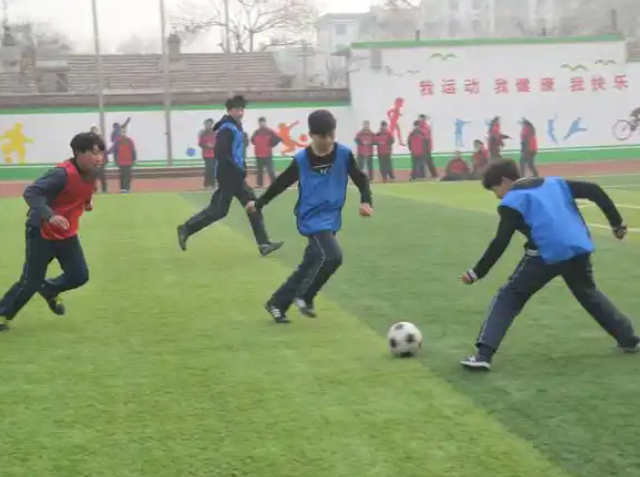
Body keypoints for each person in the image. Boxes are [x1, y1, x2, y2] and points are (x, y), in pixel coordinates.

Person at [459, 159, 638, 371]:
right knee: (589, 293)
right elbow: (594, 190)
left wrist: (476, 273)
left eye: (495, 189)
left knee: (509, 297)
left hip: (545, 256)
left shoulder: (511, 202)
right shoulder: (555, 183)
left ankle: (484, 355)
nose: (497, 196)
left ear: (505, 180)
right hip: (578, 248)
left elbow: (500, 242)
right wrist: (616, 223)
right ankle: (628, 338)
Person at [246, 109, 373, 323]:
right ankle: (305, 296)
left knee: (312, 261)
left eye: (331, 134)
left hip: (331, 217)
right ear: (312, 135)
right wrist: (259, 204)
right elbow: (281, 183)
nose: (329, 140)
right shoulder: (302, 160)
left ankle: (277, 303)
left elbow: (361, 179)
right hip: (311, 217)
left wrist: (365, 201)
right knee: (333, 256)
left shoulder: (343, 154)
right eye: (324, 136)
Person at [0, 132, 104, 331]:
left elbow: (82, 191)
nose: (99, 157)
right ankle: (2, 313)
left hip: (66, 232)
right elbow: (32, 192)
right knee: (30, 282)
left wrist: (87, 202)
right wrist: (50, 215)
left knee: (79, 274)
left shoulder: (93, 172)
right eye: (94, 153)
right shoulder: (61, 174)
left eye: (101, 153)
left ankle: (49, 288)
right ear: (78, 153)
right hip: (41, 230)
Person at [177, 95, 283, 257]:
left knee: (252, 205)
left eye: (242, 109)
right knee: (219, 210)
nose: (240, 112)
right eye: (237, 110)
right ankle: (186, 228)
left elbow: (235, 152)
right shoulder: (227, 129)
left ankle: (264, 244)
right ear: (229, 111)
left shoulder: (234, 126)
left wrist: (241, 167)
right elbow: (221, 154)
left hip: (234, 175)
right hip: (228, 175)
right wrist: (237, 169)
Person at [251, 117, 281, 187]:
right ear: (259, 123)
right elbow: (252, 140)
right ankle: (260, 185)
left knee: (270, 170)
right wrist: (258, 145)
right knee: (259, 171)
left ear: (265, 122)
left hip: (267, 154)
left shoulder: (269, 131)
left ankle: (275, 184)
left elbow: (278, 138)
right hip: (258, 154)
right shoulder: (256, 132)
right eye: (260, 122)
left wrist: (271, 144)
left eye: (263, 122)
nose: (261, 123)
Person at [108, 126, 137, 193]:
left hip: (129, 161)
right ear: (120, 132)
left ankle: (127, 188)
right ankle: (123, 189)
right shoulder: (117, 140)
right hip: (121, 162)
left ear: (125, 132)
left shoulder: (129, 140)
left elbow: (133, 150)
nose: (123, 133)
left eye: (124, 131)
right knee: (123, 175)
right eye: (122, 131)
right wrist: (108, 153)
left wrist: (134, 159)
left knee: (128, 176)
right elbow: (114, 149)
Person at [199, 118, 217, 189]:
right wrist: (207, 145)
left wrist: (214, 146)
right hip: (206, 154)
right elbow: (200, 143)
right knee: (208, 169)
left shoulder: (215, 132)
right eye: (207, 124)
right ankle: (206, 184)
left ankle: (212, 184)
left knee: (213, 170)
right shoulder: (203, 134)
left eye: (210, 124)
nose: (208, 125)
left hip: (214, 153)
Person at [418, 114, 437, 178]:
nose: (420, 119)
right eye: (419, 118)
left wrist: (419, 131)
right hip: (421, 146)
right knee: (421, 161)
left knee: (428, 161)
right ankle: (422, 175)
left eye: (421, 118)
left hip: (426, 146)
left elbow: (426, 135)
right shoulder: (420, 126)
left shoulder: (426, 126)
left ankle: (434, 174)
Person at [90, 126, 108, 193]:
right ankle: (94, 190)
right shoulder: (89, 142)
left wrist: (105, 161)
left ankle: (104, 190)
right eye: (93, 131)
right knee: (92, 177)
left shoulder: (101, 140)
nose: (95, 132)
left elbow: (104, 151)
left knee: (102, 176)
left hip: (101, 162)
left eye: (96, 131)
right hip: (92, 162)